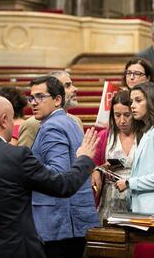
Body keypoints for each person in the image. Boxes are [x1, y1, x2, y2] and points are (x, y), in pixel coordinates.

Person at [0, 94, 98, 258]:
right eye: (12, 119)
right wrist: (84, 158)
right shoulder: (17, 156)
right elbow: (63, 186)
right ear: (4, 120)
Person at [28, 76, 99, 258]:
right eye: (31, 98)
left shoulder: (51, 127)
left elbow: (57, 174)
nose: (33, 103)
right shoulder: (71, 122)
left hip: (57, 222)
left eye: (40, 97)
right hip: (74, 218)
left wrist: (27, 173)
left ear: (58, 100)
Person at [115, 82, 154, 219]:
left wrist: (129, 182)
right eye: (132, 101)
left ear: (152, 101)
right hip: (146, 209)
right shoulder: (148, 131)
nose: (132, 105)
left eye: (138, 100)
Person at [91, 90, 142, 221]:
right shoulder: (104, 136)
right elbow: (94, 166)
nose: (122, 121)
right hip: (110, 197)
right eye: (117, 115)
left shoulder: (144, 135)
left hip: (138, 195)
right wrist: (98, 170)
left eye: (127, 115)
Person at [18, 70, 83, 148]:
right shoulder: (32, 125)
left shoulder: (76, 120)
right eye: (67, 85)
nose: (75, 89)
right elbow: (24, 158)